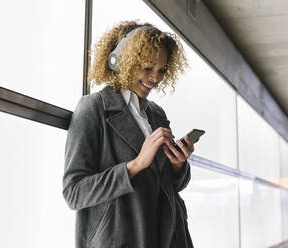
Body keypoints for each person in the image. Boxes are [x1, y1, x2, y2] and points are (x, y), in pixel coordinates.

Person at [63, 20, 198, 248]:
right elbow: (74, 192)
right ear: (123, 61)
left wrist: (177, 165)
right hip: (124, 239)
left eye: (162, 70)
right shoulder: (93, 108)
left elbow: (172, 185)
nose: (155, 78)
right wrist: (135, 165)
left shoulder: (155, 113)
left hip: (170, 236)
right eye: (147, 67)